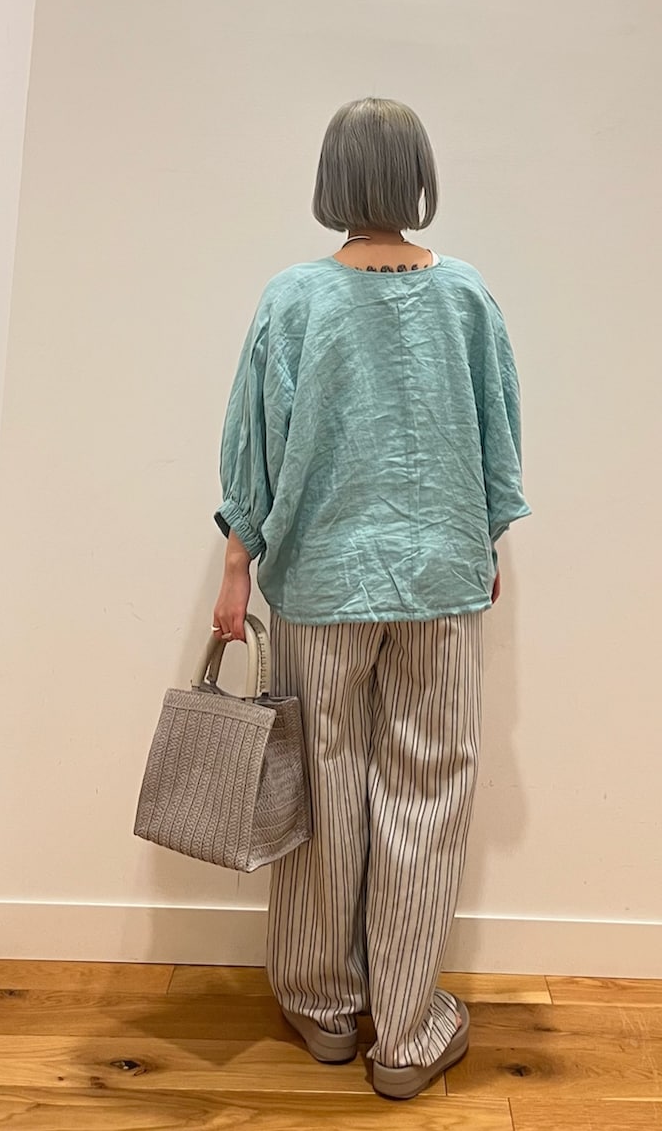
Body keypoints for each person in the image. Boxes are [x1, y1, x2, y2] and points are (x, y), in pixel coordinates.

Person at [211, 96, 530, 1099]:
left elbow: (254, 447)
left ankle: (323, 1007)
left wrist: (236, 565)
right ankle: (405, 1029)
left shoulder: (293, 299)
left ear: (331, 179)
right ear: (419, 176)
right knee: (425, 793)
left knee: (322, 789)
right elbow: (499, 436)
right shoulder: (467, 294)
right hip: (439, 583)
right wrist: (485, 537)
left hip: (319, 582)